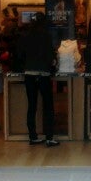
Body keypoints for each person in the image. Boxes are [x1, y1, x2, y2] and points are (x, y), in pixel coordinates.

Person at [16, 12, 60, 146]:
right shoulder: (46, 36)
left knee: (32, 106)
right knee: (48, 106)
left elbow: (19, 55)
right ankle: (49, 137)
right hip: (43, 74)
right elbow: (50, 56)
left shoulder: (25, 36)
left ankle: (33, 136)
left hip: (29, 73)